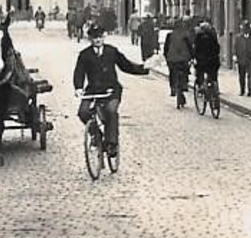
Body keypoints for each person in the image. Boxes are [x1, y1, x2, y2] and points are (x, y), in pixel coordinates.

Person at [72, 23, 148, 160]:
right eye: (94, 38)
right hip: (93, 90)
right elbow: (79, 72)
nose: (97, 40)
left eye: (100, 37)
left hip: (111, 90)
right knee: (83, 112)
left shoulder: (111, 51)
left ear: (104, 37)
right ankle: (97, 135)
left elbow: (126, 66)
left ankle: (112, 144)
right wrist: (78, 87)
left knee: (111, 112)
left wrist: (144, 69)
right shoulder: (85, 55)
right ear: (90, 39)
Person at [163, 22, 194, 109]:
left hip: (172, 58)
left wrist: (166, 56)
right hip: (183, 58)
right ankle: (184, 85)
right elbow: (190, 47)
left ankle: (173, 88)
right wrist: (192, 56)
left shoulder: (170, 35)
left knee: (172, 72)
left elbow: (166, 47)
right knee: (185, 71)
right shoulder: (186, 35)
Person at [192, 20, 222, 105]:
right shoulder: (213, 36)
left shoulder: (199, 36)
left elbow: (196, 49)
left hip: (203, 62)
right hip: (213, 61)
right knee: (213, 77)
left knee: (199, 72)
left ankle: (201, 86)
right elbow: (217, 48)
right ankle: (215, 94)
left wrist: (194, 58)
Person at [234, 24, 251, 97]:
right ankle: (242, 90)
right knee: (242, 76)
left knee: (250, 75)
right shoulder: (238, 38)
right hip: (241, 59)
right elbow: (235, 47)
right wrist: (235, 56)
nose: (246, 31)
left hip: (250, 59)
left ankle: (250, 90)